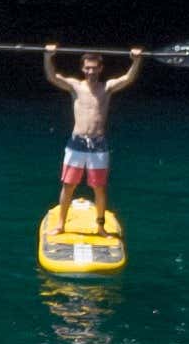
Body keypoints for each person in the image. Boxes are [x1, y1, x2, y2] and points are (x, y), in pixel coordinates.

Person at [42, 44, 141, 226]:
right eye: (87, 68)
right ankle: (61, 224)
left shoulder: (107, 88)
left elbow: (128, 78)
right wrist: (48, 56)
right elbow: (52, 76)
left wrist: (136, 60)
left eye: (94, 68)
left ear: (101, 69)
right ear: (82, 68)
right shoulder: (76, 86)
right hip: (76, 143)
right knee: (68, 185)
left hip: (98, 144)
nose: (91, 71)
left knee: (99, 188)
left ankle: (100, 225)